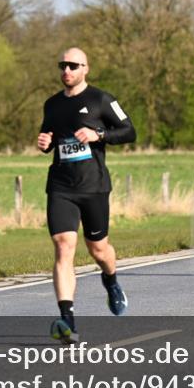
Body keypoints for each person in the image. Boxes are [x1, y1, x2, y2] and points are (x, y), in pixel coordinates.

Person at [38, 47, 136, 344]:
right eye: (62, 65)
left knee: (99, 250)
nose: (66, 70)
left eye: (72, 65)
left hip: (93, 187)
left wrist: (100, 135)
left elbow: (129, 131)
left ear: (85, 69)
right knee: (64, 245)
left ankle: (111, 280)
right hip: (61, 186)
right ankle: (67, 319)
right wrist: (45, 143)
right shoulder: (52, 104)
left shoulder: (101, 100)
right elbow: (49, 138)